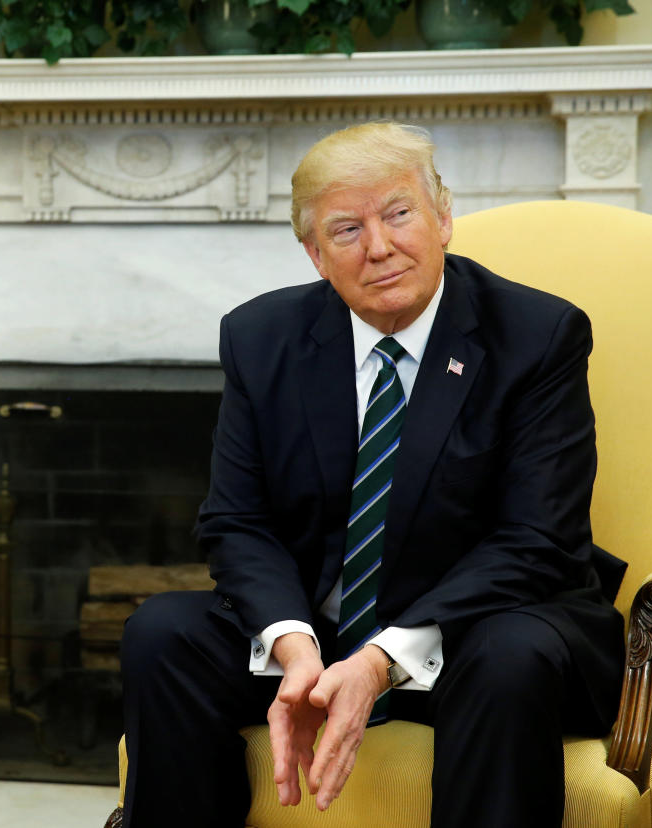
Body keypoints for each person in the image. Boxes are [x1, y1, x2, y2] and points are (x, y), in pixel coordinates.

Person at [119, 122, 625, 827]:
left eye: (398, 213)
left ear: (443, 216)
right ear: (315, 254)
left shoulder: (537, 336)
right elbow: (237, 521)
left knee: (510, 656)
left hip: (477, 631)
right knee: (162, 633)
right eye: (347, 229)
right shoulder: (262, 338)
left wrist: (383, 656)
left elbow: (539, 540)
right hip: (322, 636)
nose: (380, 247)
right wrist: (294, 647)